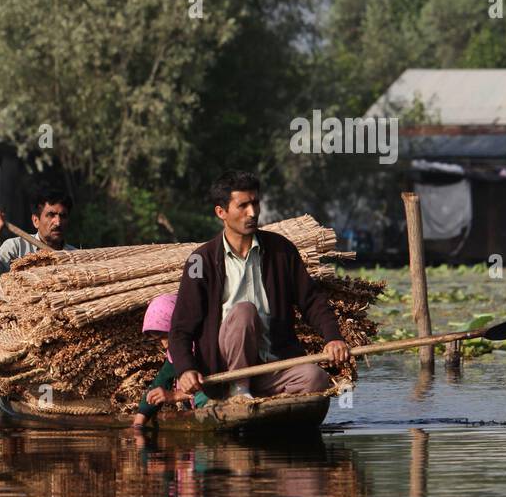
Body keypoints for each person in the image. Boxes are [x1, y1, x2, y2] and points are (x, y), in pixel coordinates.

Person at [170, 170, 349, 401]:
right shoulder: (199, 261)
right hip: (223, 373)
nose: (252, 212)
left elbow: (311, 301)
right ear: (221, 212)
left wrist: (333, 337)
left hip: (271, 365)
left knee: (316, 378)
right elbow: (181, 328)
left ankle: (261, 395)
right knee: (244, 311)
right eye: (243, 206)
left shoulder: (281, 250)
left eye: (255, 203)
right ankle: (239, 390)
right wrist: (185, 369)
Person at [132, 293, 208, 427]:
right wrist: (139, 422)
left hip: (210, 405)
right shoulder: (176, 356)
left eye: (166, 336)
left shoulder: (206, 346)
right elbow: (160, 382)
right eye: (159, 339)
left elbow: (211, 384)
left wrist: (174, 396)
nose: (165, 344)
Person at [0, 190, 76, 282]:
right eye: (51, 215)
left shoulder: (75, 257)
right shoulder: (15, 249)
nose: (58, 222)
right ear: (36, 221)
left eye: (63, 216)